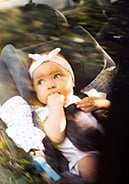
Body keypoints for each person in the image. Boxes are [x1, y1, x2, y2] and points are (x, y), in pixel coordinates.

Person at [27, 47, 110, 183]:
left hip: (107, 142)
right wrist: (55, 106)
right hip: (83, 155)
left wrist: (102, 103)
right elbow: (56, 136)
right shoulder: (44, 112)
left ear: (72, 81)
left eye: (56, 76)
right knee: (92, 165)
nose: (50, 85)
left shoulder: (88, 95)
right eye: (40, 82)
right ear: (36, 92)